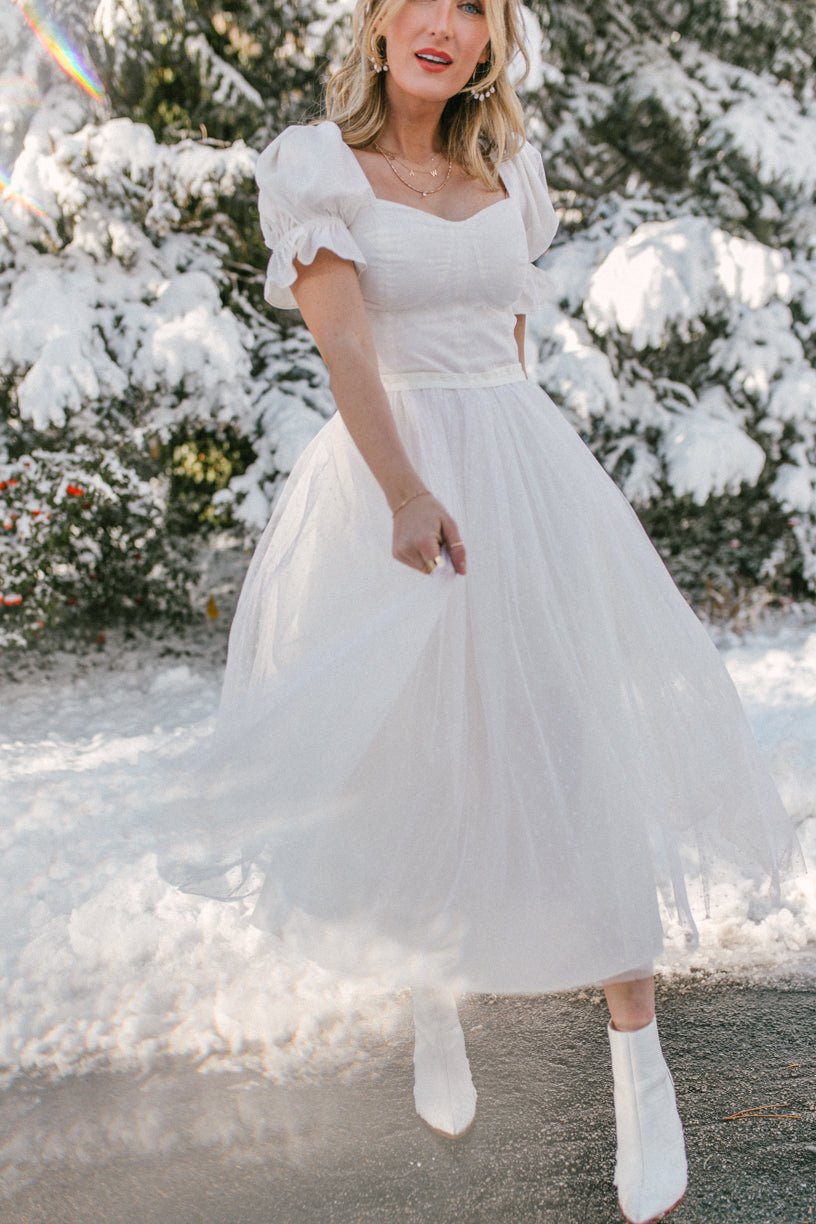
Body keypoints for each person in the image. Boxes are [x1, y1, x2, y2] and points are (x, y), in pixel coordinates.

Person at [152, 1, 805, 1221]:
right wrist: (407, 490)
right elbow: (348, 349)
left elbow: (509, 338)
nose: (444, 24)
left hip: (523, 473)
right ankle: (429, 996)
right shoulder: (317, 169)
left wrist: (530, 482)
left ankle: (640, 1068)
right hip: (389, 482)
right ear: (380, 24)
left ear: (492, 41)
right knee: (417, 766)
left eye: (474, 7)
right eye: (424, 0)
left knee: (576, 756)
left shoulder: (510, 171)